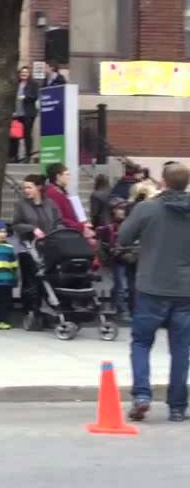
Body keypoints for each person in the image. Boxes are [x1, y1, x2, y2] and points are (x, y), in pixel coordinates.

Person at [121, 162, 190, 423]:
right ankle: (177, 406)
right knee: (182, 349)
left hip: (151, 287)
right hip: (185, 291)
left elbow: (124, 238)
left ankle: (142, 395)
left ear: (163, 181)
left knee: (141, 342)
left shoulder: (147, 208)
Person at [11, 174, 63, 251]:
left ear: (38, 187)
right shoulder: (21, 205)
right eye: (24, 188)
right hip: (29, 245)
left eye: (29, 187)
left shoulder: (50, 203)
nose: (26, 190)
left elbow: (59, 221)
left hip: (50, 243)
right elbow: (16, 225)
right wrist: (33, 229)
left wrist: (58, 233)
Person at [45, 163, 92, 235]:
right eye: (66, 174)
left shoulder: (59, 191)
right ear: (58, 176)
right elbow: (60, 218)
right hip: (64, 232)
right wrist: (81, 227)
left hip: (70, 229)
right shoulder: (53, 193)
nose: (69, 177)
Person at [10, 66, 39, 162]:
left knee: (27, 134)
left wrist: (25, 97)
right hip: (17, 114)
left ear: (29, 74)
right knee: (14, 135)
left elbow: (35, 96)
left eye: (26, 73)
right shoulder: (16, 84)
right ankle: (14, 156)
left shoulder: (33, 84)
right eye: (22, 73)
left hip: (28, 113)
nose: (24, 74)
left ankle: (28, 156)